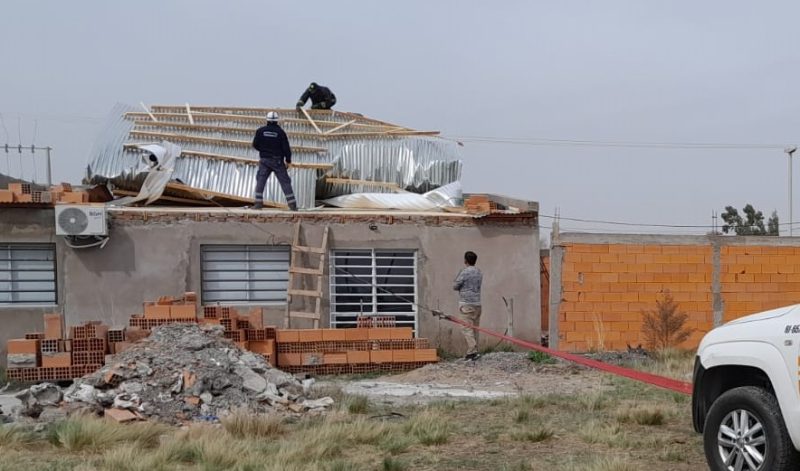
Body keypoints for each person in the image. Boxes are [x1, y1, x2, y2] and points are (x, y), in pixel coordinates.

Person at [251, 111, 297, 210]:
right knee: (285, 182)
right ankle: (292, 205)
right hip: (277, 161)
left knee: (261, 180)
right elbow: (286, 148)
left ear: (267, 120)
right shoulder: (281, 132)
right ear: (277, 121)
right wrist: (288, 160)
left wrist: (263, 151)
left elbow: (255, 144)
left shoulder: (260, 131)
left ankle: (258, 204)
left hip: (264, 160)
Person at [453, 251, 483, 361]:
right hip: (477, 304)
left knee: (466, 328)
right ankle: (473, 351)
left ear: (465, 260)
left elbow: (455, 286)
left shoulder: (464, 272)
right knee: (474, 329)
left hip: (466, 304)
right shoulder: (479, 272)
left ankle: (472, 351)